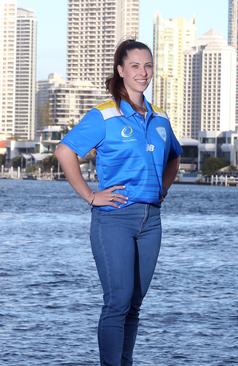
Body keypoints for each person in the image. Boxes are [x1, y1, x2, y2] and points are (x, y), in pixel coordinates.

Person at [55, 39, 182, 365]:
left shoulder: (160, 118)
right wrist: (90, 195)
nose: (143, 72)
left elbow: (174, 157)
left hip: (151, 221)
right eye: (136, 66)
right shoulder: (105, 114)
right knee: (117, 301)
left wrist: (163, 189)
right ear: (121, 70)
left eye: (148, 65)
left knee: (135, 304)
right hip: (114, 218)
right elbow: (65, 152)